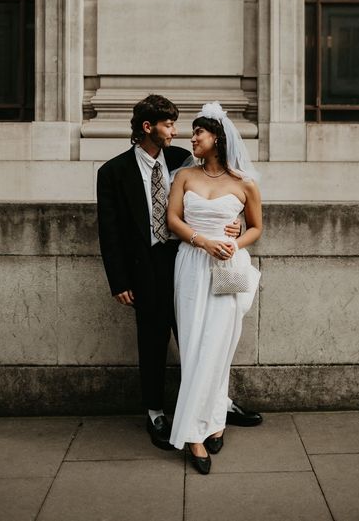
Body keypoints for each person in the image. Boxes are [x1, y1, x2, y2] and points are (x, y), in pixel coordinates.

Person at [97, 95, 262, 452]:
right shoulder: (113, 172)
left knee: (208, 337)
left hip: (188, 259)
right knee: (154, 339)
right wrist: (120, 280)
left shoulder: (180, 160)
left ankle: (215, 406)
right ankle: (156, 411)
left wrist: (234, 222)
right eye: (169, 125)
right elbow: (108, 232)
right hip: (149, 268)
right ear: (147, 127)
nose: (178, 131)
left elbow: (220, 190)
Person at [167, 101, 263, 474]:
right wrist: (201, 241)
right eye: (193, 132)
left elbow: (256, 227)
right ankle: (194, 433)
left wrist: (233, 244)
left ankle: (215, 421)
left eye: (198, 133)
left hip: (227, 268)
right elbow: (173, 220)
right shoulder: (185, 177)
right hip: (191, 264)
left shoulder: (244, 184)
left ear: (218, 139)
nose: (192, 138)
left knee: (220, 346)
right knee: (194, 346)